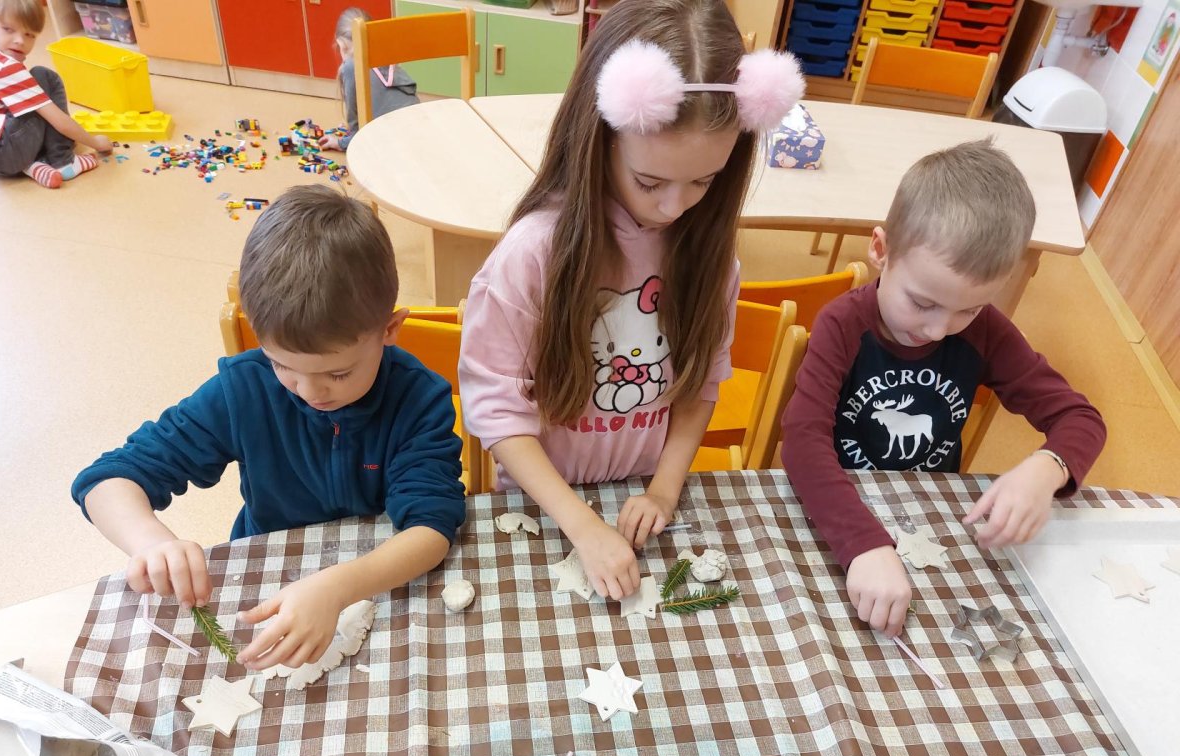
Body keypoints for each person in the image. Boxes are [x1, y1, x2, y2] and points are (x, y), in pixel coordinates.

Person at [458, 0, 803, 600]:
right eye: (650, 181)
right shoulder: (533, 254)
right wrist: (582, 524)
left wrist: (664, 490)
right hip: (545, 507)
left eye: (704, 181)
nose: (674, 207)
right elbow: (495, 408)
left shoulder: (706, 254)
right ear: (600, 140)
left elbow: (700, 382)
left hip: (643, 492)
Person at [72, 185, 466, 671]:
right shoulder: (242, 390)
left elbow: (431, 527)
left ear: (390, 329)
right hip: (267, 579)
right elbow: (106, 481)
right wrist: (150, 542)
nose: (310, 391)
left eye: (338, 372)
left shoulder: (418, 398)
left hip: (377, 577)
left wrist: (336, 588)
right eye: (283, 366)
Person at [781, 139, 1106, 637]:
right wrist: (863, 544)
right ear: (881, 250)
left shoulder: (987, 332)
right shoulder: (842, 325)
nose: (938, 330)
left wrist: (1048, 467)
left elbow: (1080, 419)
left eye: (968, 309)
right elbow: (802, 441)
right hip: (835, 510)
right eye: (922, 303)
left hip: (928, 518)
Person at [0, 0, 112, 188]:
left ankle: (32, 165)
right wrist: (97, 143)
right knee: (43, 76)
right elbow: (60, 122)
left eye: (29, 35)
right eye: (8, 29)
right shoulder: (6, 67)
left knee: (20, 99)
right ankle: (63, 161)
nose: (20, 41)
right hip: (5, 151)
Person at [318, 6, 417, 153]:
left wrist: (340, 143)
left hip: (393, 147)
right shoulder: (385, 54)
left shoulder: (350, 67)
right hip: (418, 128)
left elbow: (357, 134)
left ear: (341, 45)